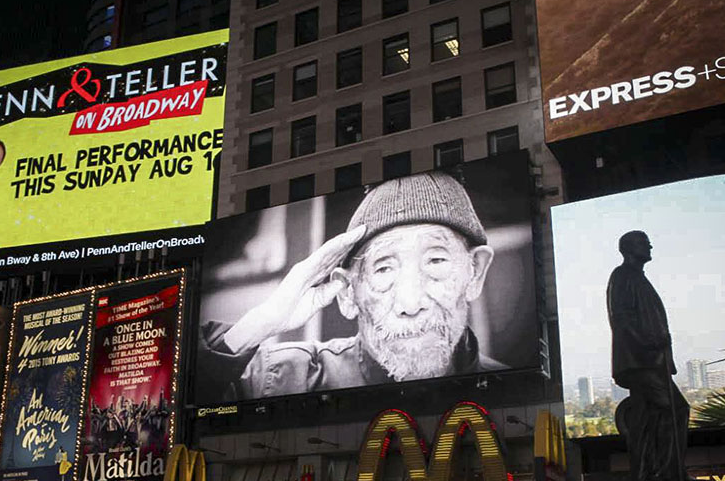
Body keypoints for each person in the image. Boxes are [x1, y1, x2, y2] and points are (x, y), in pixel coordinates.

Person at [200, 171, 503, 399]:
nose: (411, 303)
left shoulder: (508, 386)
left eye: (436, 261)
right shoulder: (275, 380)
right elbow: (163, 408)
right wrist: (261, 321)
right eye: (383, 268)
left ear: (474, 272)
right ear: (347, 293)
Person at [607, 230, 689, 481]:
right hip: (642, 362)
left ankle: (647, 477)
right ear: (629, 248)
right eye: (644, 242)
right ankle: (668, 475)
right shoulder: (623, 276)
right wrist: (647, 343)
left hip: (649, 361)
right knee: (676, 409)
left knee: (646, 420)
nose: (650, 246)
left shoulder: (636, 278)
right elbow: (621, 318)